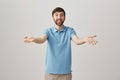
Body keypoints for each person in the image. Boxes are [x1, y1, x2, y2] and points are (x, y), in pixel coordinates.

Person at [24, 7, 97, 80]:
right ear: (53, 17)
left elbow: (77, 41)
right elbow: (42, 39)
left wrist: (85, 39)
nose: (59, 17)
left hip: (66, 74)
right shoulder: (48, 31)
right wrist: (34, 39)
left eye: (61, 15)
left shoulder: (70, 30)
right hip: (50, 73)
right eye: (56, 15)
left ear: (65, 17)